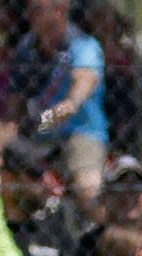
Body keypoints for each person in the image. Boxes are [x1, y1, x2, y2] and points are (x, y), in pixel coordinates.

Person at [14, 0, 109, 210]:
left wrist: (41, 122)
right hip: (36, 134)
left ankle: (108, 230)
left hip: (80, 132)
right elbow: (16, 99)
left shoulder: (83, 45)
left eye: (38, 10)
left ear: (60, 11)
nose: (30, 15)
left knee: (87, 189)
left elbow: (76, 97)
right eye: (29, 9)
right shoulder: (26, 48)